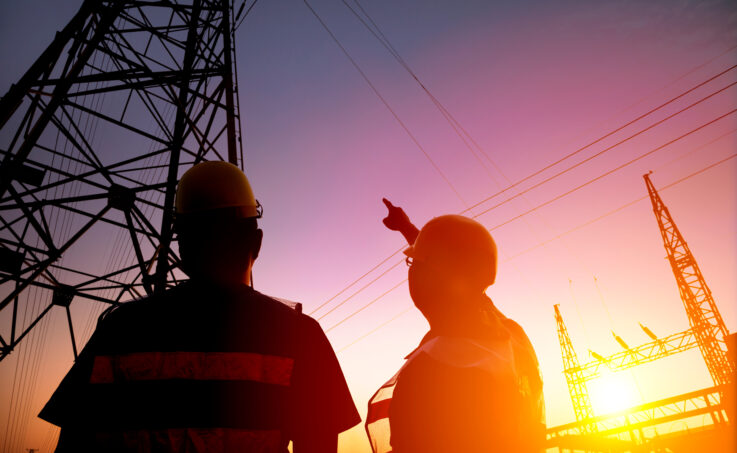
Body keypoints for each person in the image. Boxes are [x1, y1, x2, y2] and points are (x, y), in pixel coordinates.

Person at [39, 161, 360, 453]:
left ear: (181, 246)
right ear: (257, 243)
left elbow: (72, 444)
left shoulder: (117, 330)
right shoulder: (299, 336)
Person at [366, 199, 545, 453]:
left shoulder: (430, 368)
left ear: (429, 274)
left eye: (413, 263)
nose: (411, 270)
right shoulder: (509, 336)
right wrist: (407, 229)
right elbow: (456, 267)